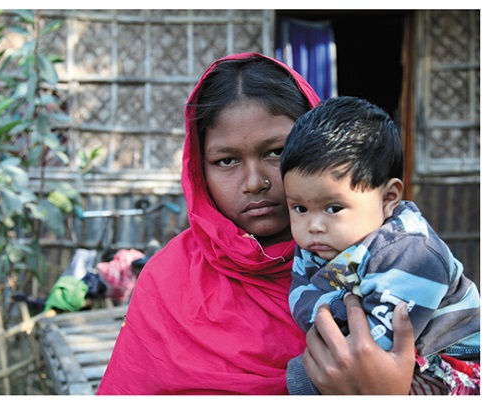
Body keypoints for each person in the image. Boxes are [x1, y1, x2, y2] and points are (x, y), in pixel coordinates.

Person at [97, 53, 415, 395]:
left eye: (276, 152)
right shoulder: (168, 280)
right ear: (198, 170)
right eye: (227, 160)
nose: (254, 182)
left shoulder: (390, 261)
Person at [281, 96, 480, 395]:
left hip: (451, 363)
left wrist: (327, 313)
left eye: (333, 208)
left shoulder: (413, 253)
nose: (314, 225)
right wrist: (335, 308)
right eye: (299, 208)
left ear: (388, 198)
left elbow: (377, 345)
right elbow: (298, 297)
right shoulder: (318, 244)